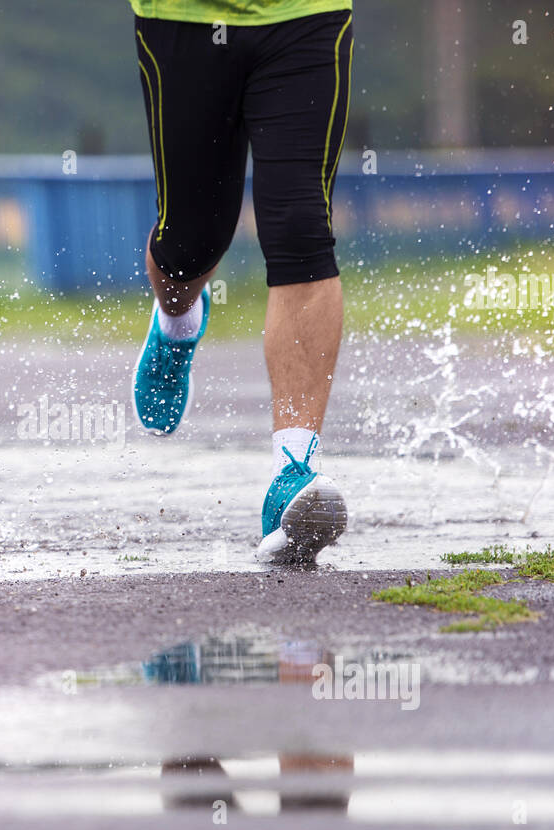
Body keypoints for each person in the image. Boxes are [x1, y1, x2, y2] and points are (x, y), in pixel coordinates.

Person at [128, 0, 353, 564]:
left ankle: (292, 471)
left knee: (301, 225)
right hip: (182, 18)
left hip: (306, 14)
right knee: (190, 242)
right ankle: (178, 320)